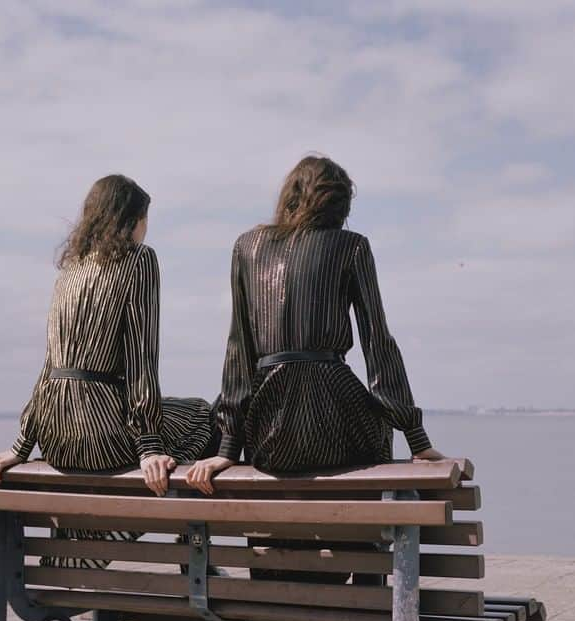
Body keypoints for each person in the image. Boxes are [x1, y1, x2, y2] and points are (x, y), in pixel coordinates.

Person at [0, 175, 218, 565]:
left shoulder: (68, 270)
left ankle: (86, 546)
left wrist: (20, 447)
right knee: (202, 416)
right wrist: (149, 447)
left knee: (172, 423)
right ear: (130, 220)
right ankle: (185, 558)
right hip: (103, 432)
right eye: (144, 219)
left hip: (56, 436)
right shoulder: (139, 260)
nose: (146, 230)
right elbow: (142, 357)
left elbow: (48, 366)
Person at [187, 154, 444, 492]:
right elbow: (377, 343)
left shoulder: (246, 246)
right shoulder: (352, 246)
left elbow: (239, 349)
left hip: (272, 436)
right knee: (375, 438)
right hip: (338, 423)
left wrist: (228, 450)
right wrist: (416, 437)